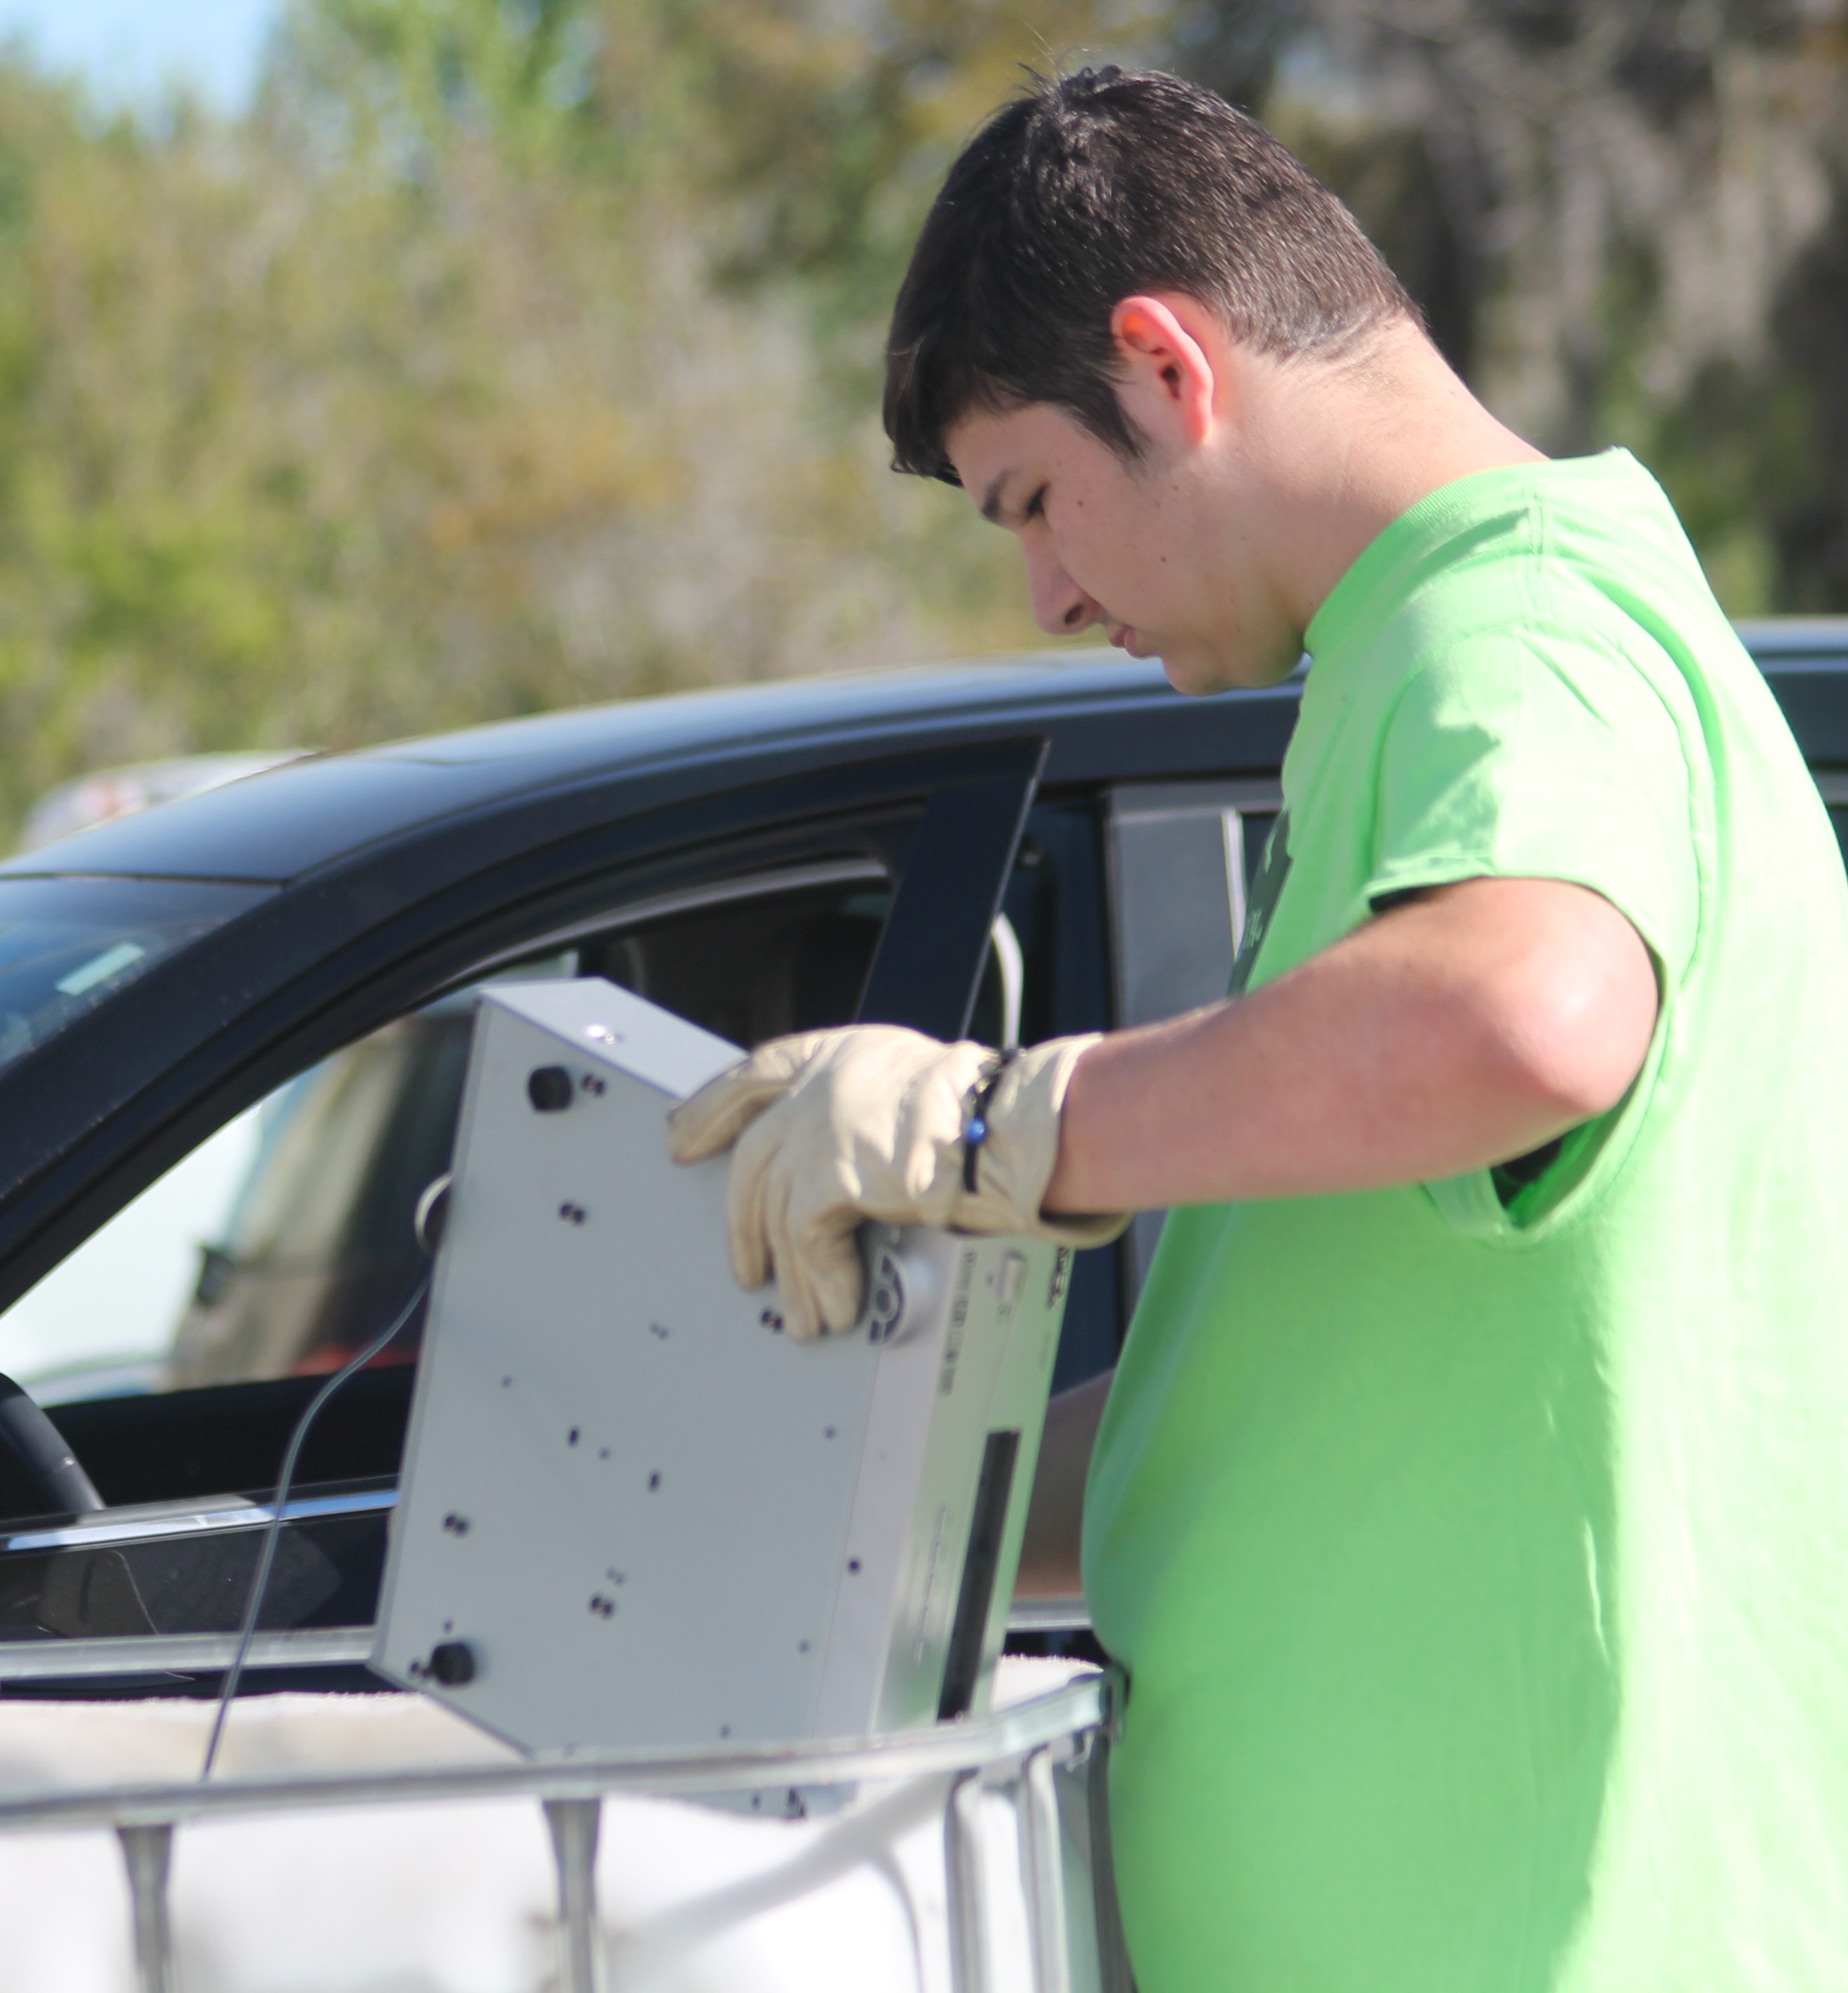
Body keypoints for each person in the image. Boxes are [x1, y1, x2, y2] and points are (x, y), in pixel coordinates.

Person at [665, 66, 1848, 1992]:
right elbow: (1275, 1412)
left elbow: (1532, 1015)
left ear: (1165, 366)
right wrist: (856, 1500)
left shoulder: (1514, 631)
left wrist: (999, 1125)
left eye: (1035, 502)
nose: (1049, 593)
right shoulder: (1437, 656)